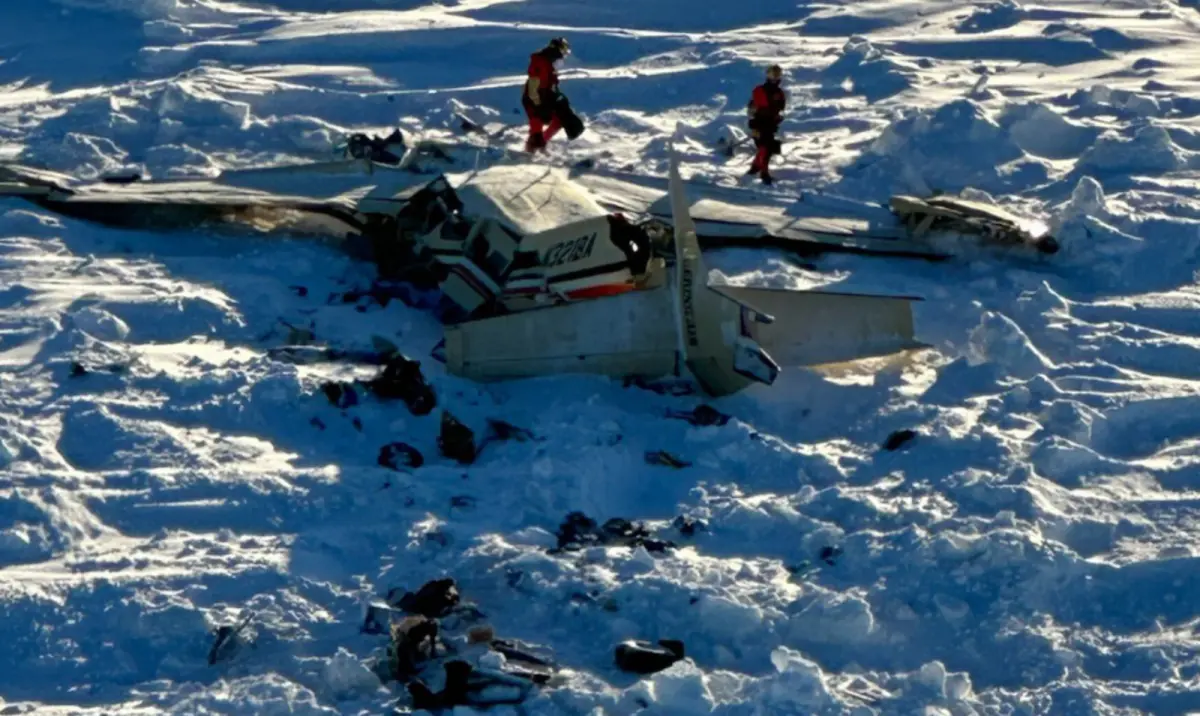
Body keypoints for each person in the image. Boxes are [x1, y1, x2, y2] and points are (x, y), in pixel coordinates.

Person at [523, 37, 571, 153]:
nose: (563, 57)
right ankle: (532, 150)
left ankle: (539, 145)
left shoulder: (550, 65)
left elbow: (552, 85)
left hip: (544, 98)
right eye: (563, 52)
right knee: (536, 129)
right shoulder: (541, 62)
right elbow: (534, 82)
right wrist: (537, 102)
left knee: (560, 119)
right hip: (534, 100)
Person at [746, 64, 786, 185]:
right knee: (765, 148)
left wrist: (778, 117)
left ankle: (756, 166)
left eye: (777, 74)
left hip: (771, 124)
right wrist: (754, 125)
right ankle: (763, 172)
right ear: (768, 75)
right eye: (773, 74)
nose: (775, 77)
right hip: (759, 123)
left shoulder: (779, 93)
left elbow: (780, 109)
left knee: (767, 148)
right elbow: (752, 108)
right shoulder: (760, 90)